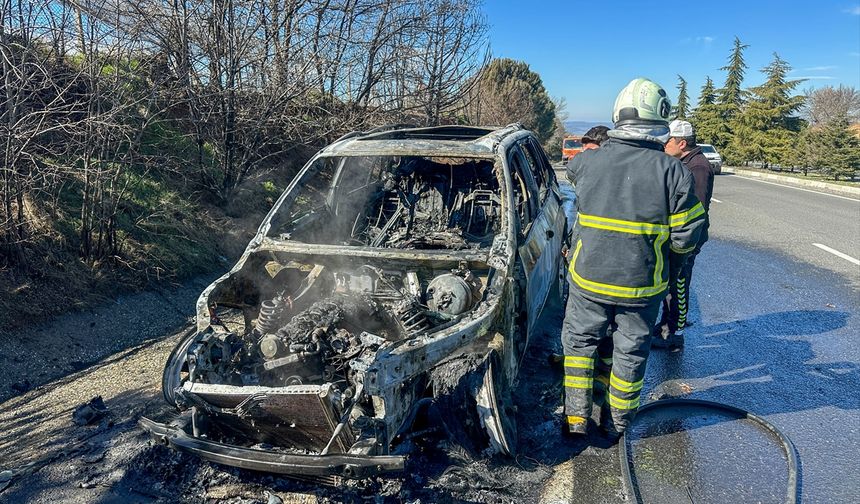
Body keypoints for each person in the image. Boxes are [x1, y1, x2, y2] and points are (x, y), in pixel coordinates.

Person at [562, 78, 705, 438]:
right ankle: (617, 424)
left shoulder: (587, 162)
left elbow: (574, 176)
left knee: (579, 347)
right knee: (631, 352)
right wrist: (665, 259)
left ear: (618, 116)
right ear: (659, 121)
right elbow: (687, 238)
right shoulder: (674, 172)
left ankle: (576, 421)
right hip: (642, 287)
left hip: (588, 281)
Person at [654, 120, 715, 349]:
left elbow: (694, 209)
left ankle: (674, 333)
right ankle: (664, 325)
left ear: (681, 143)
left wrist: (682, 240)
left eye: (668, 141)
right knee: (670, 285)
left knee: (679, 284)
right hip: (680, 236)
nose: (664, 145)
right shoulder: (685, 162)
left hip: (688, 238)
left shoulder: (697, 168)